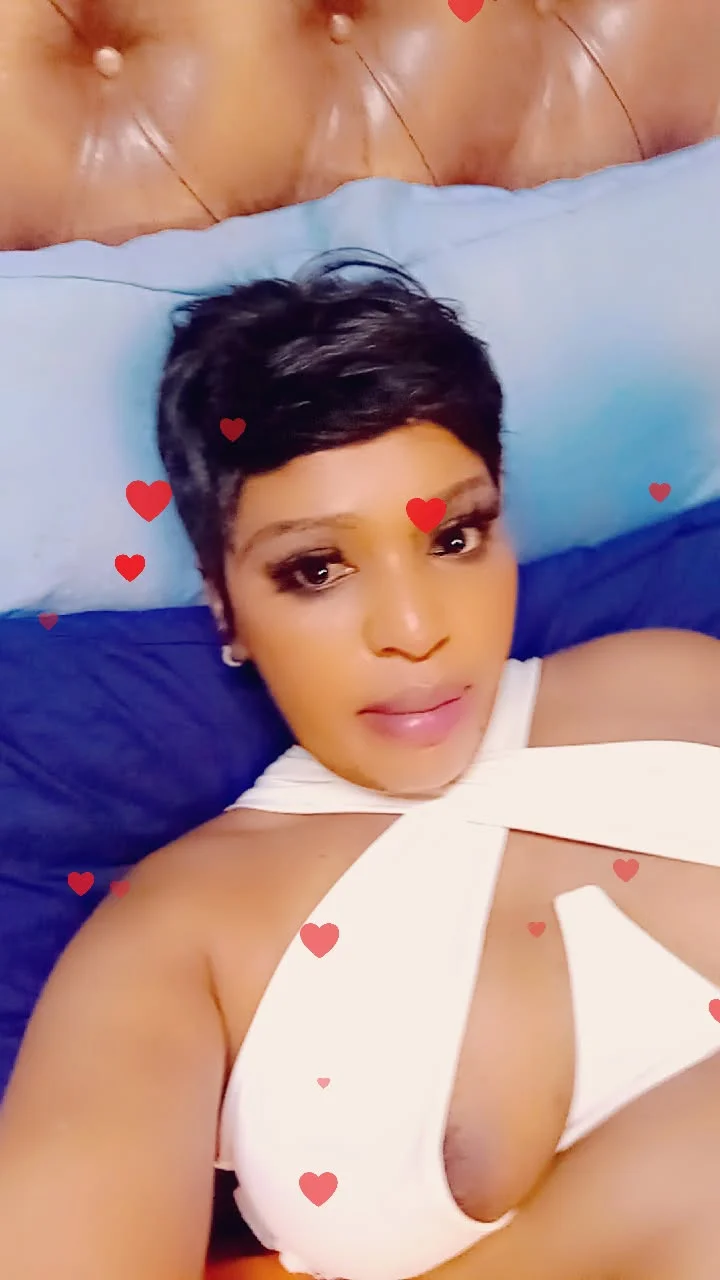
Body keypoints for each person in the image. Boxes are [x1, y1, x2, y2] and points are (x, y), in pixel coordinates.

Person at [0, 257, 719, 1280]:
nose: (415, 630)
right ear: (224, 602)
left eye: (454, 536)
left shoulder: (675, 682)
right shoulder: (177, 936)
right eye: (317, 568)